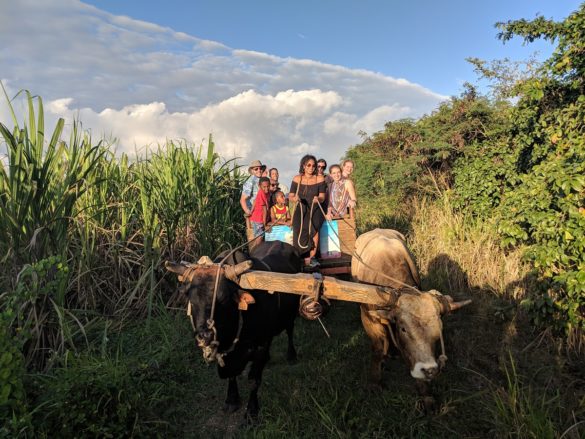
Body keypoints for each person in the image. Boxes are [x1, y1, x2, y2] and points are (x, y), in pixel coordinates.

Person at [289, 155, 326, 267]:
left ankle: (312, 257)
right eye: (308, 165)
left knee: (314, 230)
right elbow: (290, 196)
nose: (311, 167)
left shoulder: (319, 178)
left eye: (313, 165)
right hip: (301, 208)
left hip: (315, 208)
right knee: (298, 229)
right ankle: (300, 257)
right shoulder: (297, 178)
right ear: (303, 166)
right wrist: (295, 198)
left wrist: (318, 198)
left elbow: (322, 197)